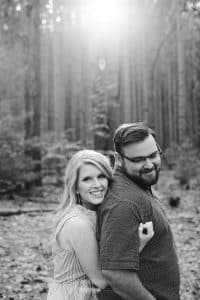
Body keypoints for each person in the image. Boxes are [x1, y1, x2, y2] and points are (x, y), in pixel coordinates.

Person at [47, 149, 154, 300]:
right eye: (87, 179)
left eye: (101, 176)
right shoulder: (77, 224)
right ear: (75, 186)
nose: (97, 185)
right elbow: (102, 281)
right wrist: (139, 244)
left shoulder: (97, 213)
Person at [97, 122, 180, 300]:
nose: (149, 164)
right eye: (138, 159)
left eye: (153, 155)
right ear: (118, 159)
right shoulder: (125, 203)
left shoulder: (137, 184)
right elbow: (114, 273)